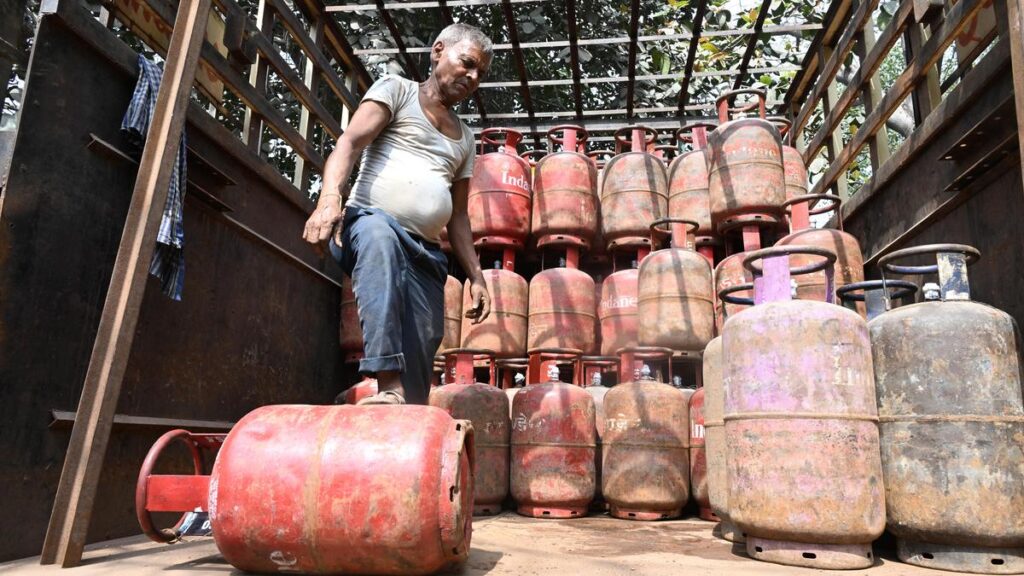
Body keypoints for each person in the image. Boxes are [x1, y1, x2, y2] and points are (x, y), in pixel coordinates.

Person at [303, 23, 493, 405]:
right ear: (438, 51)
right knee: (381, 242)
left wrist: (476, 276)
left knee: (423, 340)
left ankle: (405, 414)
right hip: (369, 224)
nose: (473, 77)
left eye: (481, 73)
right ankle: (387, 381)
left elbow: (458, 214)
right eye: (467, 63)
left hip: (425, 252)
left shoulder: (466, 138)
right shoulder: (397, 91)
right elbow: (349, 144)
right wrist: (328, 200)